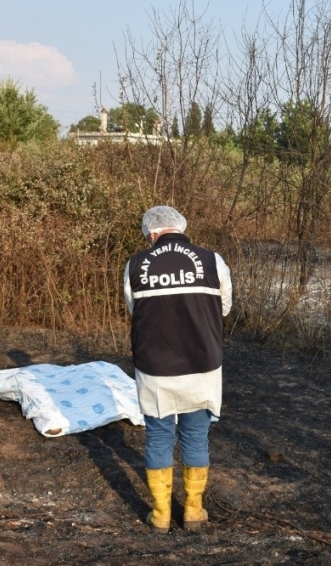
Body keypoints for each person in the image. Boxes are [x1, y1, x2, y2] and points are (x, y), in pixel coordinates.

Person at [123, 205, 232, 533]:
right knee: (196, 436)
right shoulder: (213, 260)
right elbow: (223, 307)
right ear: (179, 227)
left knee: (158, 437)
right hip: (202, 365)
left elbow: (135, 309)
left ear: (153, 233)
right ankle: (194, 513)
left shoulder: (135, 265)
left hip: (156, 369)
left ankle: (159, 516)